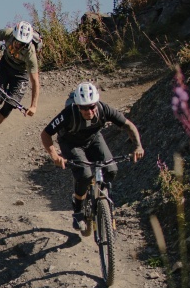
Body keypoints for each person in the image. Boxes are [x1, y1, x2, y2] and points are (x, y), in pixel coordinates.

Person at [41, 81, 145, 233]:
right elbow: (46, 134)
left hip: (93, 139)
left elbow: (128, 125)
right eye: (84, 107)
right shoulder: (69, 113)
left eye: (92, 106)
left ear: (96, 103)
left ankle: (102, 203)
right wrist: (55, 156)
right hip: (71, 143)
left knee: (111, 170)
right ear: (77, 106)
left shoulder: (104, 109)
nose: (88, 111)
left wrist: (138, 146)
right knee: (84, 175)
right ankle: (78, 210)